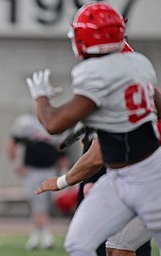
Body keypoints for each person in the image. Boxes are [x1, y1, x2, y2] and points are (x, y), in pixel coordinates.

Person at [26, 2, 161, 255]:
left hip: (149, 178)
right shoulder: (139, 63)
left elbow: (54, 125)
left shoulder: (93, 72)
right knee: (80, 244)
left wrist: (41, 97)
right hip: (118, 177)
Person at [8, 109, 70, 250]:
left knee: (47, 203)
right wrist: (15, 164)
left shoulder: (54, 123)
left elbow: (62, 148)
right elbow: (12, 143)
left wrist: (64, 170)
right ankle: (45, 235)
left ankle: (36, 235)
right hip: (33, 170)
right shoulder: (27, 123)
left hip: (50, 170)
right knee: (37, 203)